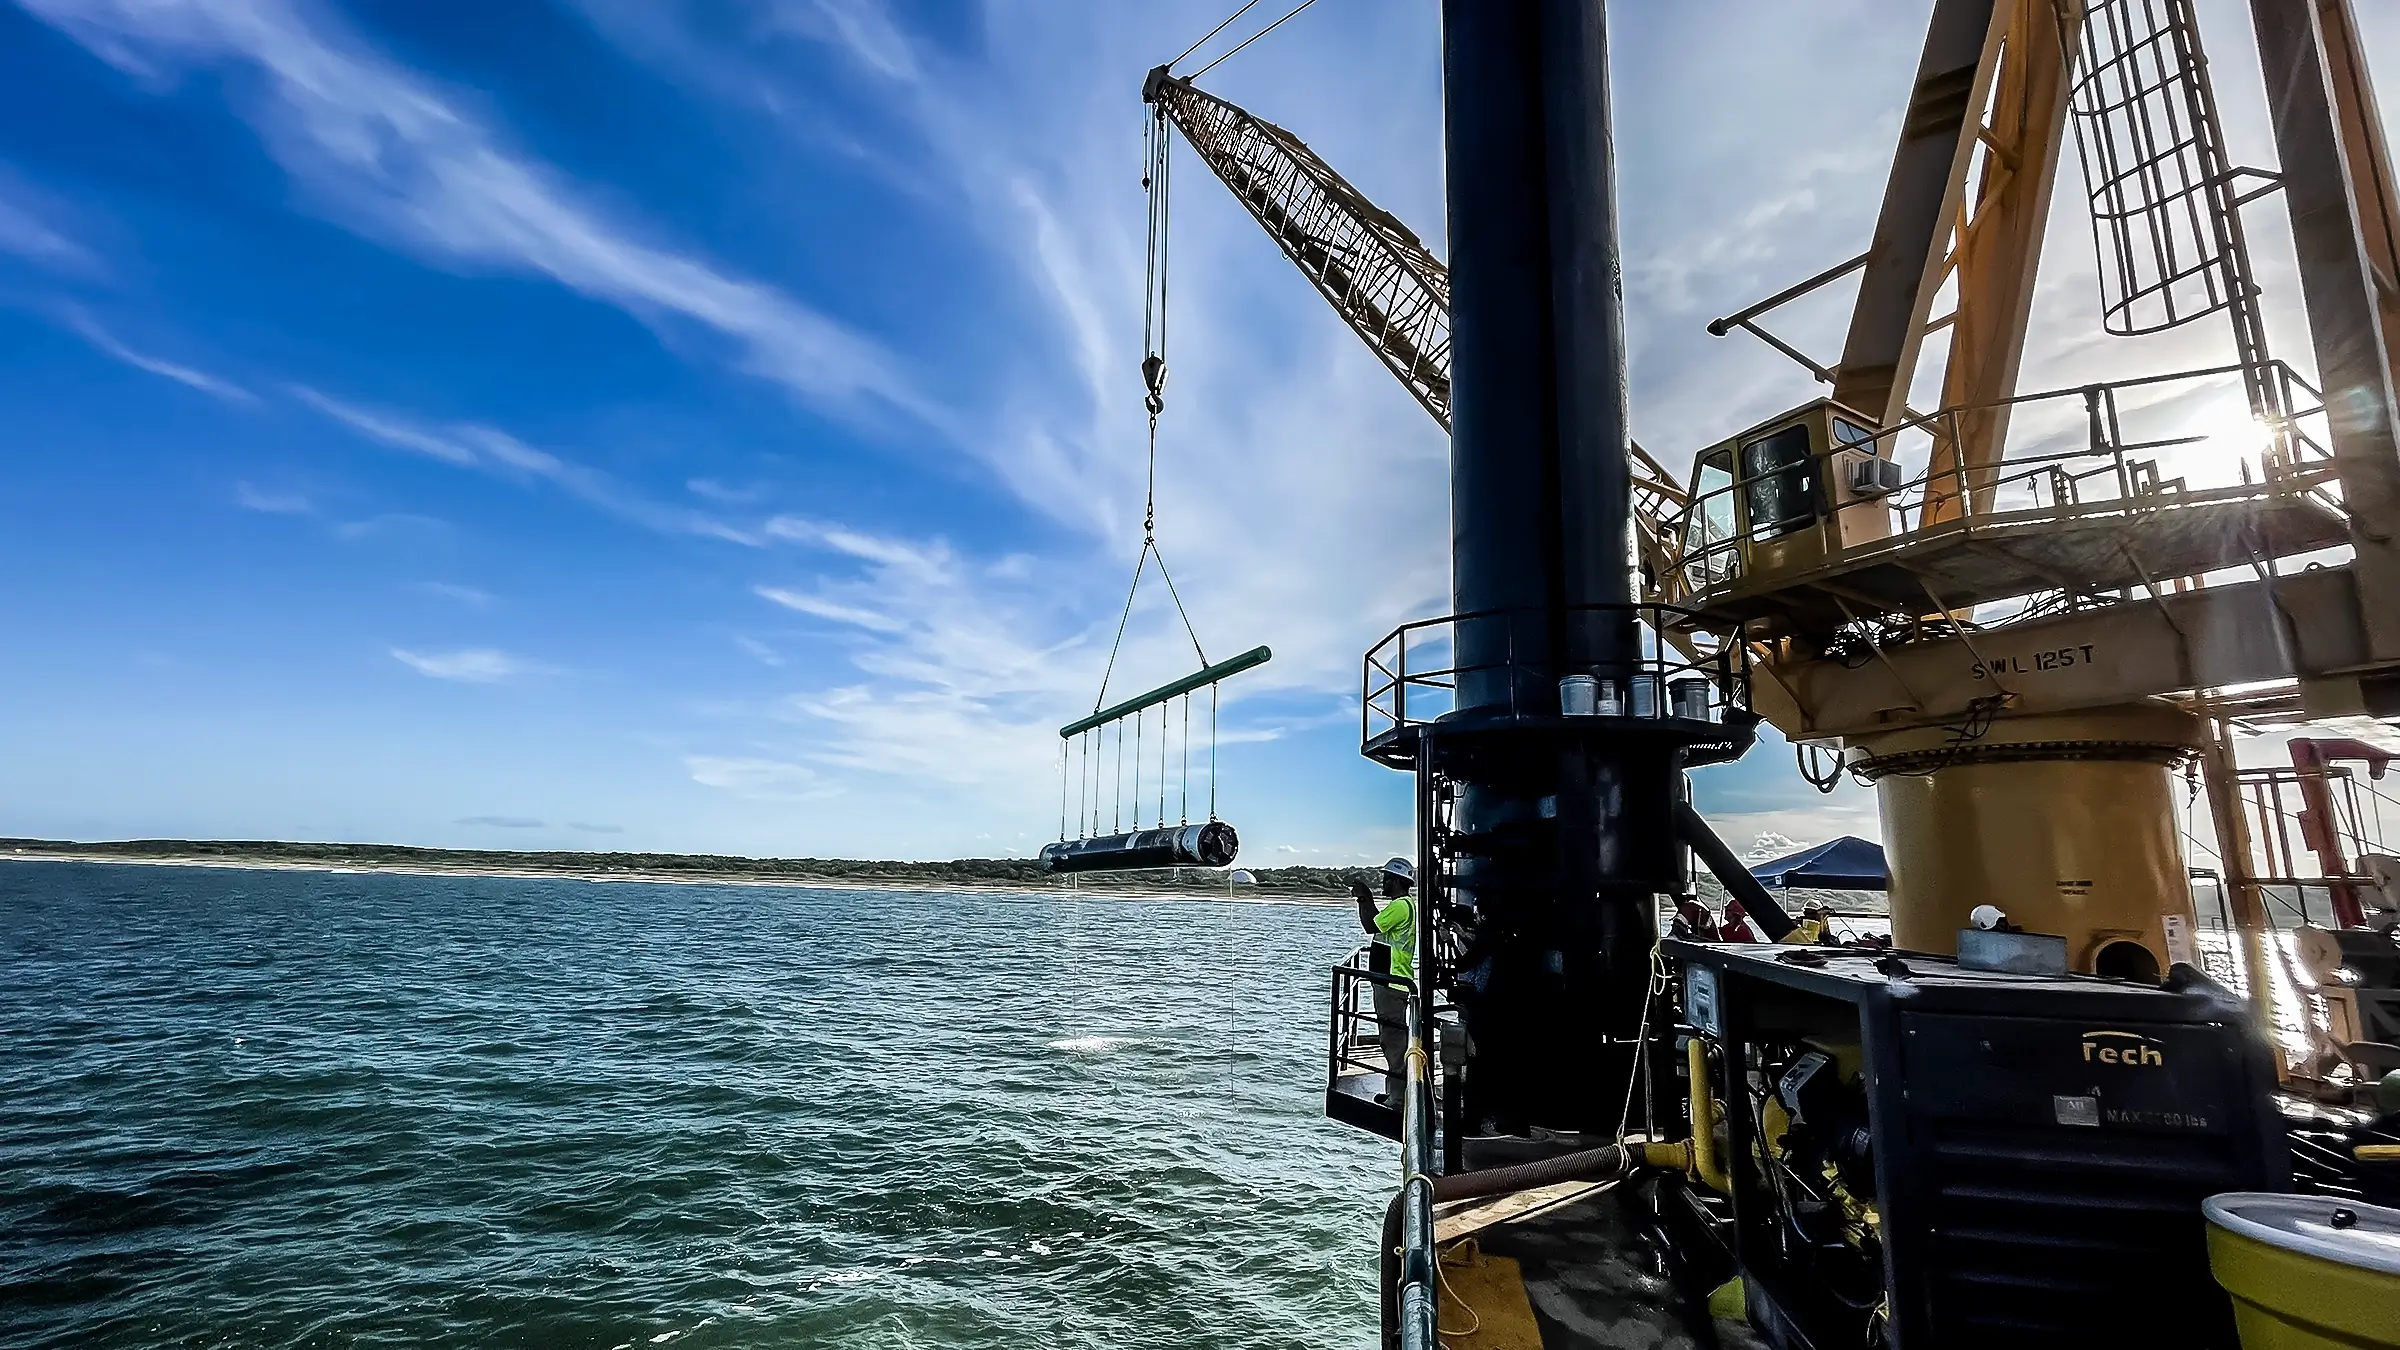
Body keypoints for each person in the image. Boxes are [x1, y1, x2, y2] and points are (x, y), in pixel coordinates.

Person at [1353, 857, 1416, 1106]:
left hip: (1392, 983)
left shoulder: (1401, 906)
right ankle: (1394, 1094)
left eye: (1387, 878)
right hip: (1391, 982)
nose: (1384, 882)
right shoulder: (1402, 906)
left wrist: (1363, 897)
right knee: (1391, 1040)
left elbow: (1371, 925)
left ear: (1399, 881)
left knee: (1393, 1043)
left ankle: (1399, 1099)